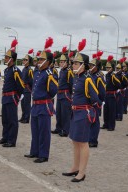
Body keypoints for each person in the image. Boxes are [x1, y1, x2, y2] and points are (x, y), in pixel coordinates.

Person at [62, 39, 101, 182]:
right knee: (75, 141)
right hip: (75, 112)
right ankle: (75, 167)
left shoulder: (87, 79)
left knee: (83, 142)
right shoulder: (77, 78)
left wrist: (87, 109)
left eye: (76, 63)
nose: (73, 65)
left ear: (83, 65)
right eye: (73, 63)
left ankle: (82, 172)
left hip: (83, 113)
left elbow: (95, 98)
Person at [24, 37, 58, 163]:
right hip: (35, 105)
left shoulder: (49, 74)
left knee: (44, 131)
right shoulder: (37, 72)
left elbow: (54, 90)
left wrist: (45, 97)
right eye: (39, 59)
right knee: (35, 129)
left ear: (48, 61)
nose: (39, 61)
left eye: (42, 59)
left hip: (44, 105)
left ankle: (43, 154)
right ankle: (35, 151)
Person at [0, 39, 24, 147]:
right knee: (5, 119)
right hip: (5, 97)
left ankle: (11, 140)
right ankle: (5, 137)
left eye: (7, 57)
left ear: (12, 59)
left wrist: (17, 97)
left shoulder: (15, 70)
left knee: (12, 120)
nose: (5, 59)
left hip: (12, 97)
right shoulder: (7, 70)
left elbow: (21, 85)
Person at [52, 46, 73, 137]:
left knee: (65, 114)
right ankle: (58, 128)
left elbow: (71, 84)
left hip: (66, 94)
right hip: (60, 94)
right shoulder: (61, 71)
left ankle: (65, 130)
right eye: (60, 62)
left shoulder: (69, 71)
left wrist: (71, 95)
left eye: (62, 62)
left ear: (67, 63)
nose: (60, 63)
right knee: (59, 113)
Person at [88, 52, 106, 148]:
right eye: (90, 65)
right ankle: (89, 138)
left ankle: (93, 140)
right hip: (89, 102)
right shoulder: (90, 75)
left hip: (96, 102)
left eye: (92, 65)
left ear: (96, 66)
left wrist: (99, 102)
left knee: (95, 122)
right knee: (89, 121)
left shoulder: (99, 77)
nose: (90, 66)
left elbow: (102, 92)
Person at [101, 56, 121, 131]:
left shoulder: (113, 75)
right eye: (106, 67)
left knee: (112, 111)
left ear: (112, 68)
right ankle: (106, 124)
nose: (107, 69)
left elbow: (119, 84)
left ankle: (111, 126)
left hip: (112, 95)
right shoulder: (107, 75)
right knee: (106, 110)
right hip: (107, 94)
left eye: (109, 67)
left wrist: (116, 90)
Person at [19, 49, 34, 124]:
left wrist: (30, 89)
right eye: (23, 60)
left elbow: (32, 81)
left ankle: (26, 118)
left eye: (25, 60)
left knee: (27, 104)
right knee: (22, 104)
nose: (24, 61)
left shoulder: (30, 70)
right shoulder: (24, 69)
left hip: (27, 89)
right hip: (23, 88)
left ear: (28, 61)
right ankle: (23, 116)